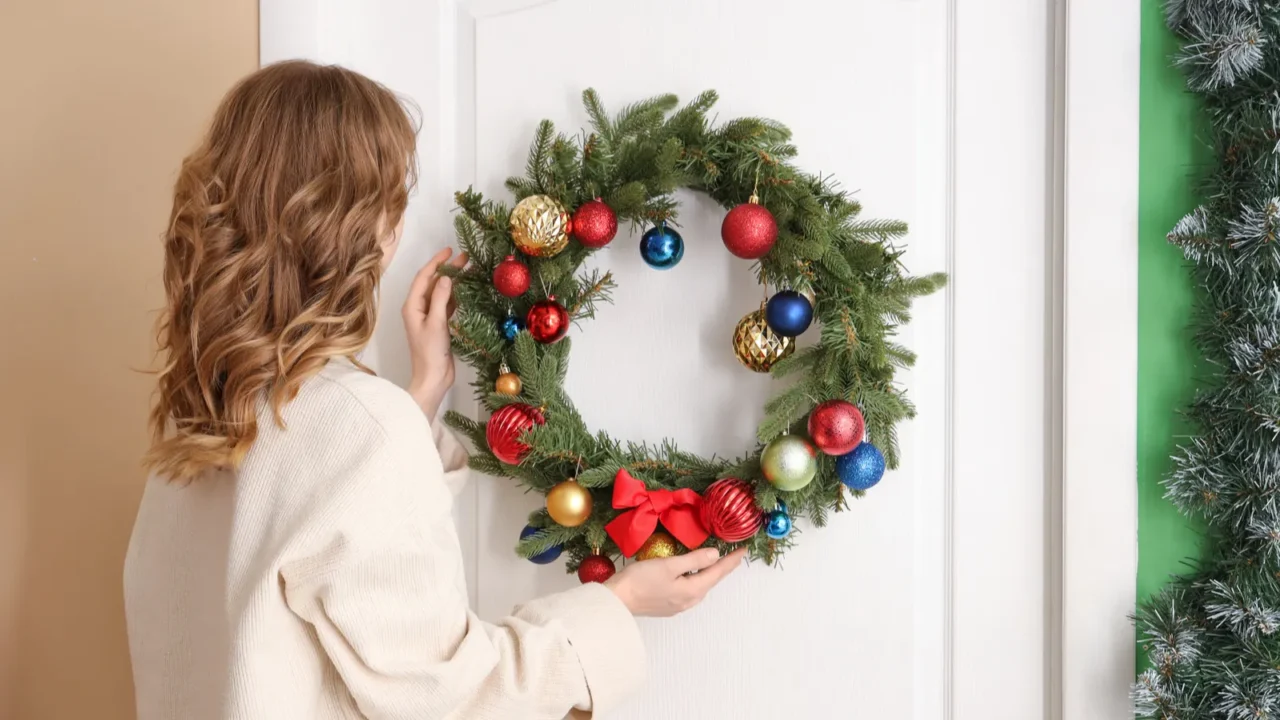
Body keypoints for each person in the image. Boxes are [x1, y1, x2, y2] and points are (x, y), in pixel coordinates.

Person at [123, 60, 746, 720]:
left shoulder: (201, 419)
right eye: (392, 202)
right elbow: (448, 698)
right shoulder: (357, 425)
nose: (398, 229)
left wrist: (422, 393)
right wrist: (618, 607)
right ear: (356, 232)